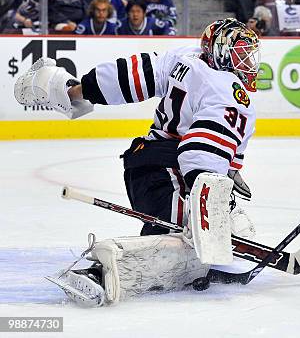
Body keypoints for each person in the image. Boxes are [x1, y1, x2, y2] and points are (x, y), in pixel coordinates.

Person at [14, 18, 260, 307]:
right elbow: (202, 151)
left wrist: (77, 92)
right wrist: (208, 198)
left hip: (143, 164)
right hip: (170, 173)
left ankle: (151, 249)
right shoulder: (231, 92)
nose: (249, 63)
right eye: (242, 54)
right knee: (215, 235)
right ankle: (103, 270)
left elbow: (128, 76)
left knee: (180, 234)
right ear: (220, 52)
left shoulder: (184, 56)